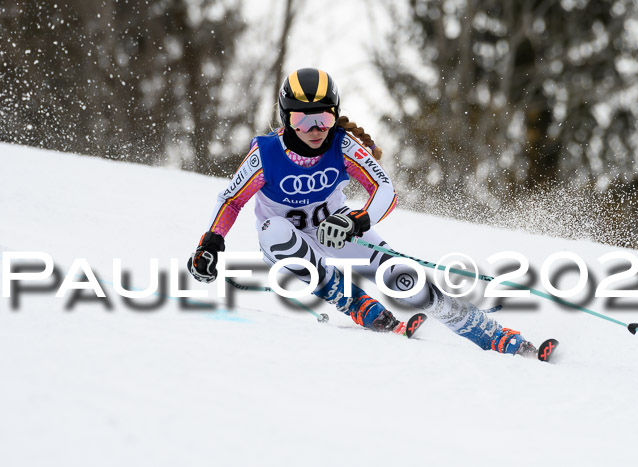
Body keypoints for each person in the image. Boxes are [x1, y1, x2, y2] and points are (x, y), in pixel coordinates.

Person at [188, 67, 538, 357]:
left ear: (335, 115)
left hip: (336, 231)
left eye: (324, 117)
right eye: (303, 119)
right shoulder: (266, 154)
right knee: (276, 231)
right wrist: (210, 245)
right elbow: (231, 200)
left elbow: (384, 190)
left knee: (402, 279)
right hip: (284, 246)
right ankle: (352, 301)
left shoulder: (343, 146)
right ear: (286, 118)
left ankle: (485, 331)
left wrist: (357, 219)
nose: (315, 129)